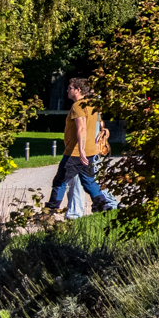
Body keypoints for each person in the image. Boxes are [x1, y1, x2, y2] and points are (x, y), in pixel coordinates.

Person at [50, 78, 118, 218]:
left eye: (70, 88)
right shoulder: (92, 105)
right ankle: (103, 206)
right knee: (88, 181)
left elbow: (81, 129)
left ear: (78, 90)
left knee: (60, 181)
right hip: (90, 151)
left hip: (75, 153)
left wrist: (81, 151)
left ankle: (50, 210)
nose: (67, 90)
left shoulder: (77, 106)